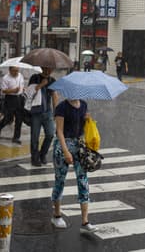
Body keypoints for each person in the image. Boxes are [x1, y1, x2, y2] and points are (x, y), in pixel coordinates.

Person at [50, 98, 97, 233]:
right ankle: (57, 215)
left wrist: (88, 119)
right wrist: (66, 152)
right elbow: (59, 131)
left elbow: (83, 127)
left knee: (83, 181)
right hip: (62, 146)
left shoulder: (84, 104)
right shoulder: (61, 107)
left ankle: (85, 222)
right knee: (60, 180)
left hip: (79, 146)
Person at [27, 67, 58, 166]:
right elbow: (29, 93)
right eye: (46, 68)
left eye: (50, 69)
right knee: (34, 136)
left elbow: (54, 96)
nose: (48, 70)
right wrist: (41, 85)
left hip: (47, 111)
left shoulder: (52, 80)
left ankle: (42, 154)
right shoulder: (34, 78)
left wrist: (56, 112)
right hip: (36, 112)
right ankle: (34, 158)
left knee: (50, 134)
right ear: (42, 67)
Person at [0, 66, 25, 142]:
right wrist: (13, 90)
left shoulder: (20, 76)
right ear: (10, 70)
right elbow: (4, 91)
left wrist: (22, 89)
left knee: (19, 119)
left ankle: (16, 137)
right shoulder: (6, 78)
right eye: (14, 71)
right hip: (10, 99)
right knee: (9, 118)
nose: (16, 72)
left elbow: (22, 85)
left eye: (17, 70)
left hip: (20, 98)